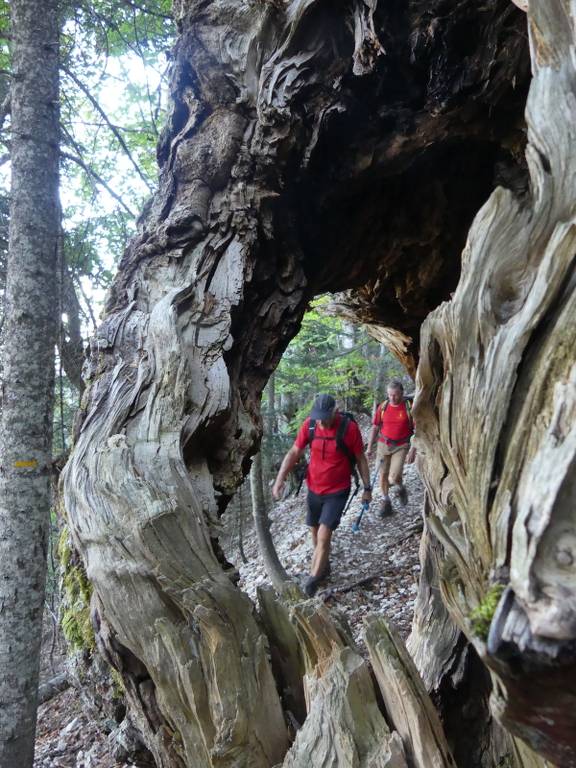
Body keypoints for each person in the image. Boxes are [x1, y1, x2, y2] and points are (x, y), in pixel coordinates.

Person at [272, 394, 372, 596]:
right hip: (314, 489)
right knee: (315, 531)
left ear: (335, 411)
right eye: (318, 417)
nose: (321, 422)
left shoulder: (349, 429)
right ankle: (323, 567)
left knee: (324, 535)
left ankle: (311, 582)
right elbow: (294, 452)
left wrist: (367, 488)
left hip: (337, 491)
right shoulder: (310, 426)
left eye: (324, 418)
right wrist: (280, 479)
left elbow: (361, 459)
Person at [366, 379, 416, 517]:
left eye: (395, 395)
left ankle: (400, 488)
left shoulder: (409, 407)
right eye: (390, 395)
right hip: (383, 445)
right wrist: (370, 448)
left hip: (401, 445)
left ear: (402, 393)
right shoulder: (383, 406)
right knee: (382, 475)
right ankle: (386, 503)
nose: (392, 398)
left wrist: (413, 449)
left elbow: (418, 429)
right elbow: (375, 426)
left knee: (394, 477)